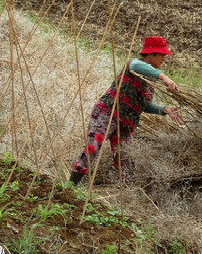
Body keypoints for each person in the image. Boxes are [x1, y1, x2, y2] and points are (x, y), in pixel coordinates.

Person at [68, 36, 184, 185]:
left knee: (126, 161)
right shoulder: (135, 65)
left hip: (126, 123)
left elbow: (144, 105)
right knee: (92, 148)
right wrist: (164, 77)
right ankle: (69, 187)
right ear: (152, 53)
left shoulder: (151, 81)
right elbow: (134, 65)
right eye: (162, 55)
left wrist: (164, 110)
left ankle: (122, 192)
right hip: (107, 113)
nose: (164, 58)